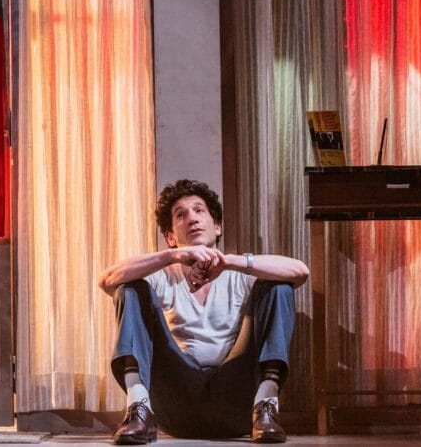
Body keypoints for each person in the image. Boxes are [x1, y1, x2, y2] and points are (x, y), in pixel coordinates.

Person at [98, 179, 309, 444]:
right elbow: (108, 280)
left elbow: (300, 271)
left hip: (236, 405)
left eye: (199, 210)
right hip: (177, 406)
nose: (192, 219)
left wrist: (228, 261)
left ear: (216, 226)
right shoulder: (163, 276)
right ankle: (138, 409)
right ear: (171, 237)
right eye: (181, 215)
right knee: (130, 288)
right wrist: (172, 256)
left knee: (278, 287)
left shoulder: (238, 274)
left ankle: (266, 406)